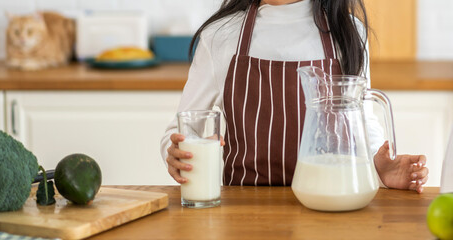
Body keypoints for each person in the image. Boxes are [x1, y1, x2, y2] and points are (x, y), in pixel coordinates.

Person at [160, 0, 429, 192]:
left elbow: (361, 120)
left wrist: (380, 165)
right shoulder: (220, 37)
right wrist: (176, 153)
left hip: (331, 206)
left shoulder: (347, 31)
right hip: (243, 212)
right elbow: (181, 129)